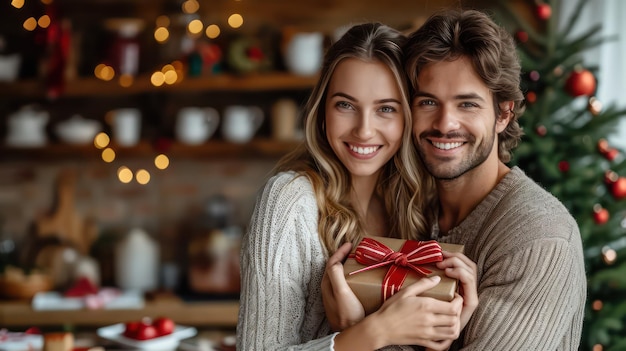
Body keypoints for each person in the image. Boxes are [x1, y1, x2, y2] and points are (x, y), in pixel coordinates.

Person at [237, 22, 477, 351]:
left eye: (386, 109)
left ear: (408, 117)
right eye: (346, 105)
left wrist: (453, 325)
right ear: (323, 112)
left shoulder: (416, 206)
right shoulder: (290, 201)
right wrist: (371, 333)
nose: (364, 131)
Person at [403, 9, 586, 350]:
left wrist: (357, 328)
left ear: (503, 113)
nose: (444, 124)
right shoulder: (411, 209)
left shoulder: (540, 237)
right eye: (428, 101)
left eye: (467, 104)